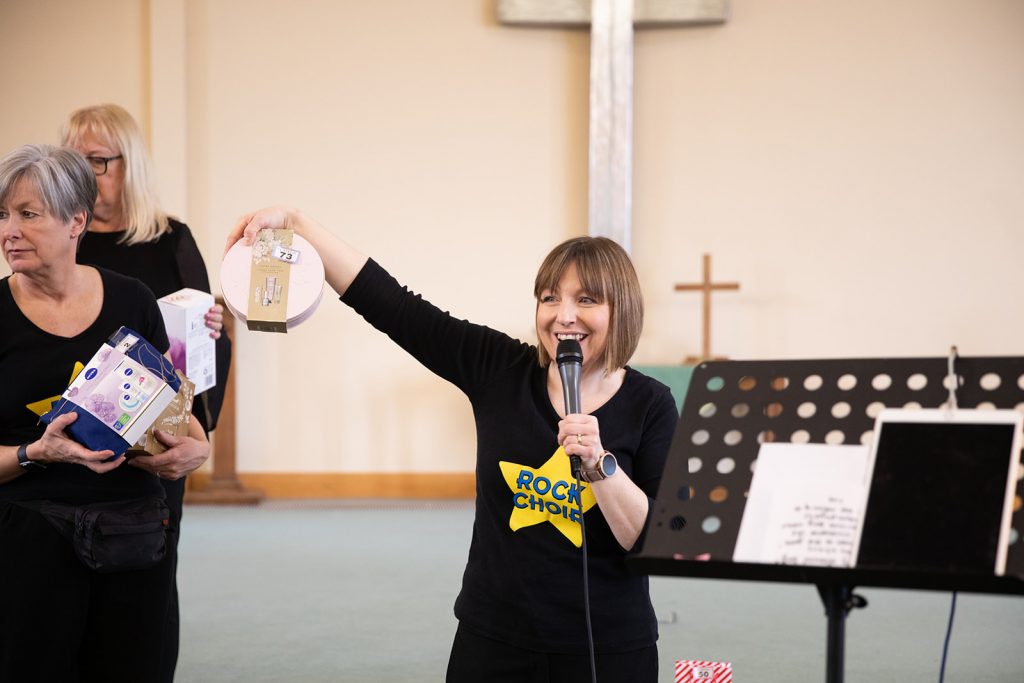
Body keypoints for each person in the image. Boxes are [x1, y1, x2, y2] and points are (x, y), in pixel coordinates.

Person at [226, 207, 678, 682]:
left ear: (621, 310)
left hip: (607, 646)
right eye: (549, 298)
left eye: (585, 299)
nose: (563, 316)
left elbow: (653, 540)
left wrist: (599, 465)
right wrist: (297, 224)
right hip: (495, 636)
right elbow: (394, 306)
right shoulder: (498, 368)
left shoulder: (651, 405)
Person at [0, 144, 211, 681]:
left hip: (130, 531)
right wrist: (33, 452)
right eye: (2, 215)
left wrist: (197, 446)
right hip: (28, 533)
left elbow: (173, 410)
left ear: (76, 222)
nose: (10, 231)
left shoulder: (132, 299)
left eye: (28, 214)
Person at [62, 103, 232, 681]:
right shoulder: (63, 239)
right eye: (74, 162)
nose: (84, 176)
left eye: (97, 162)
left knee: (151, 573)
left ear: (128, 164)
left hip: (155, 438)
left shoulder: (171, 239)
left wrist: (211, 329)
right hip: (74, 432)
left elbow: (204, 341)